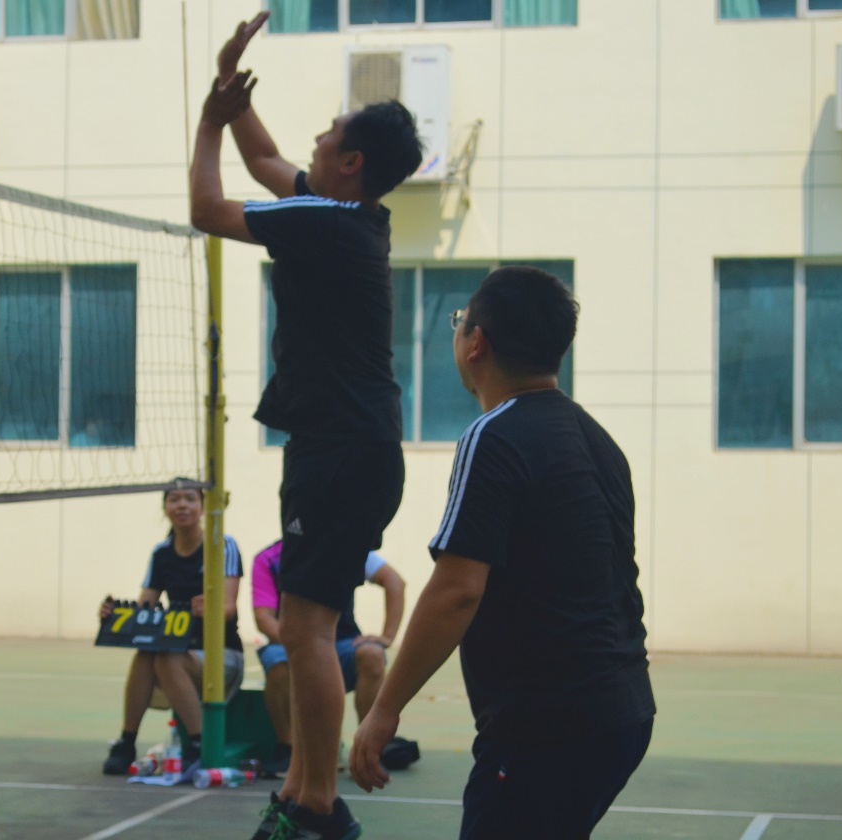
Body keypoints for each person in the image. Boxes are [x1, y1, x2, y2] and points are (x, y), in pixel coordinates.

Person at [189, 11, 423, 839]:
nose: (314, 141)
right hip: (348, 447)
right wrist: (231, 91)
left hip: (341, 451)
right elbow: (262, 158)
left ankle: (317, 802)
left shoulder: (326, 224)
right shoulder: (344, 214)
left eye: (327, 135)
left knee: (308, 631)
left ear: (349, 162)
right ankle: (301, 790)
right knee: (302, 626)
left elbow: (207, 206)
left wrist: (207, 120)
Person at [349, 267, 657, 839]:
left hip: (548, 727)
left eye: (459, 320)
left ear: (477, 343)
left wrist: (383, 709)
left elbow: (456, 591)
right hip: (624, 711)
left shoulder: (493, 436)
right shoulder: (600, 440)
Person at [100, 479, 245, 776]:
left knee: (167, 656)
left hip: (223, 656)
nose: (182, 505)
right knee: (146, 654)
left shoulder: (222, 546)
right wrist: (114, 615)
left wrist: (212, 610)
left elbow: (229, 609)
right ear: (165, 507)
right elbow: (145, 609)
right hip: (179, 653)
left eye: (190, 499)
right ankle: (127, 742)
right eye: (174, 499)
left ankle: (198, 745)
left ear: (202, 506)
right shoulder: (161, 553)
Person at [251, 539, 415, 779]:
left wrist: (387, 636)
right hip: (291, 643)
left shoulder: (349, 546)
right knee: (278, 661)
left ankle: (368, 748)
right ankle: (288, 748)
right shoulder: (269, 559)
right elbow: (264, 618)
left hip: (341, 643)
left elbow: (394, 582)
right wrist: (301, 646)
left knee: (371, 654)